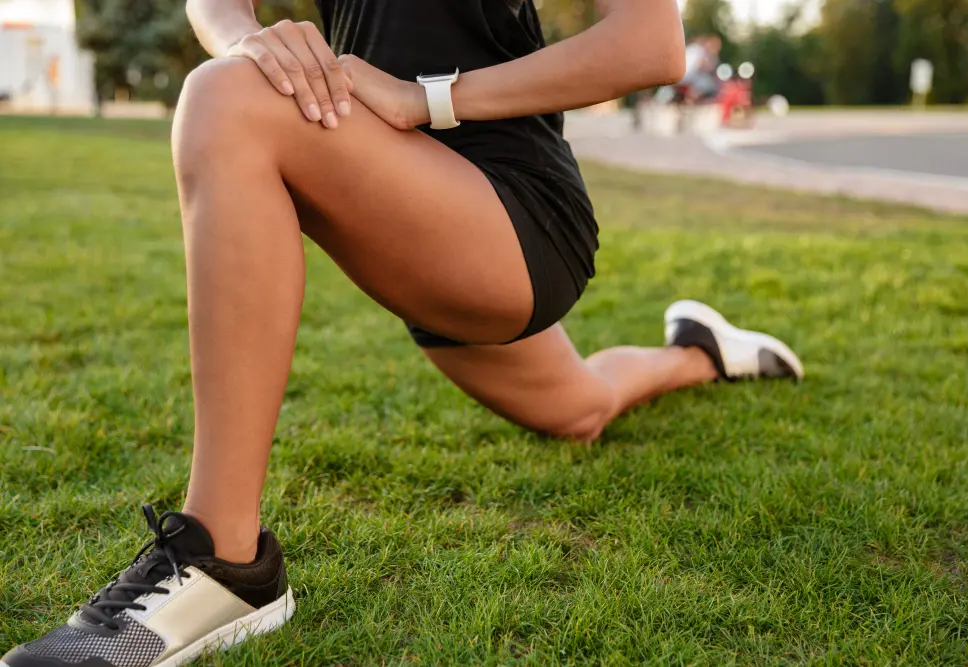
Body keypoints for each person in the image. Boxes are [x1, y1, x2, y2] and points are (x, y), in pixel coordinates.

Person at [1, 1, 803, 665]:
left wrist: (428, 100)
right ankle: (701, 350)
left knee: (224, 102)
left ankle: (226, 559)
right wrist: (256, 45)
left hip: (511, 217)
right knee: (578, 406)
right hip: (399, 199)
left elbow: (649, 44)